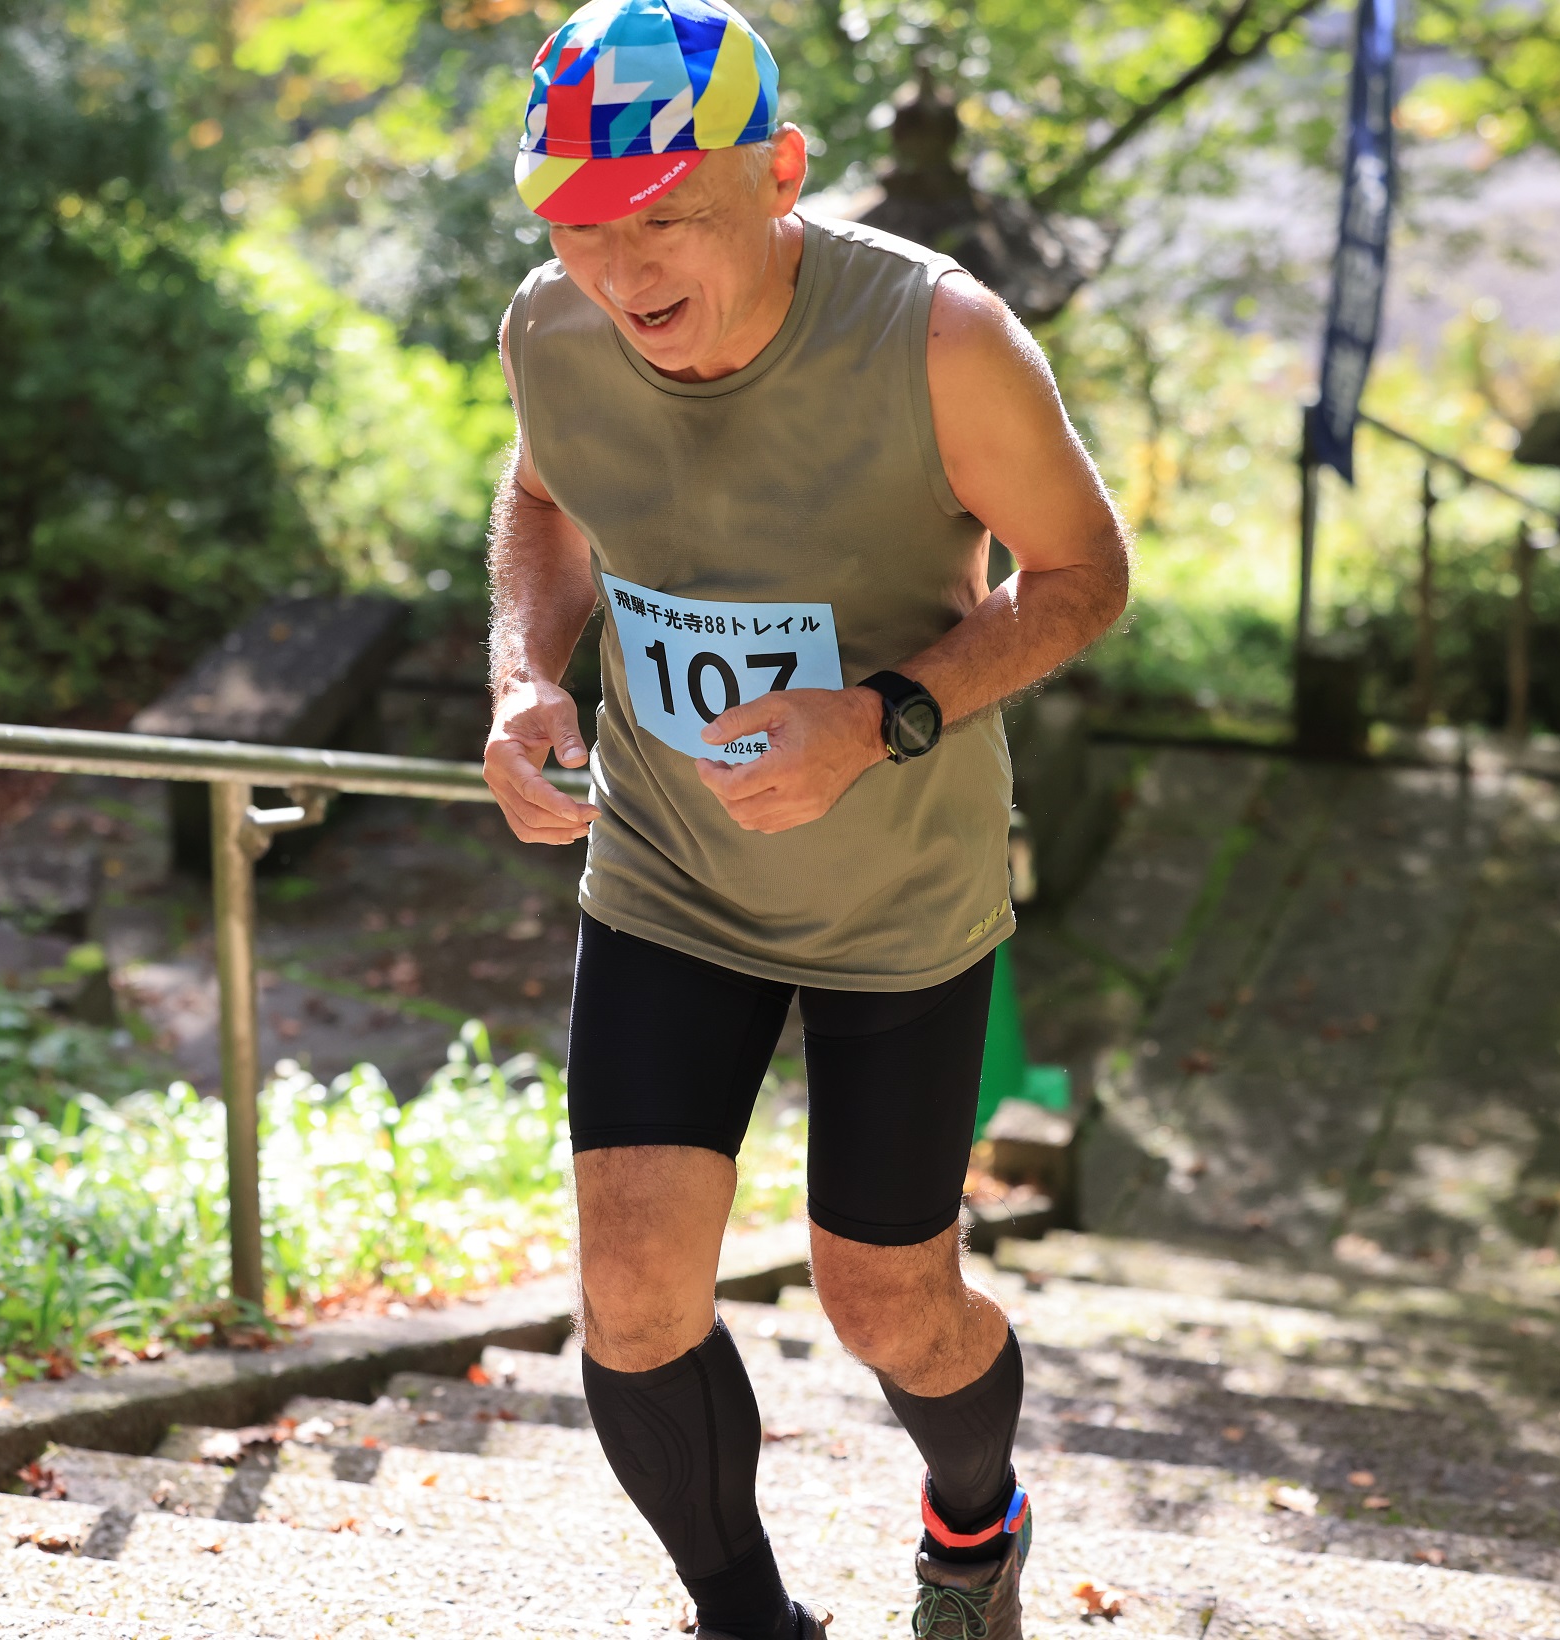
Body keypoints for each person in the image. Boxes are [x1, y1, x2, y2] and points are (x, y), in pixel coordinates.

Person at [478, 2, 1130, 1635]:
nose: (618, 270)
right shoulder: (551, 328)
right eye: (576, 223)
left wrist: (881, 714)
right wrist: (525, 672)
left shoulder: (937, 338)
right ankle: (747, 1621)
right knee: (630, 1300)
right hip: (666, 877)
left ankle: (973, 1527)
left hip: (894, 901)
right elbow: (543, 498)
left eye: (659, 215)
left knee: (887, 1305)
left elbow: (1082, 574)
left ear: (776, 173)